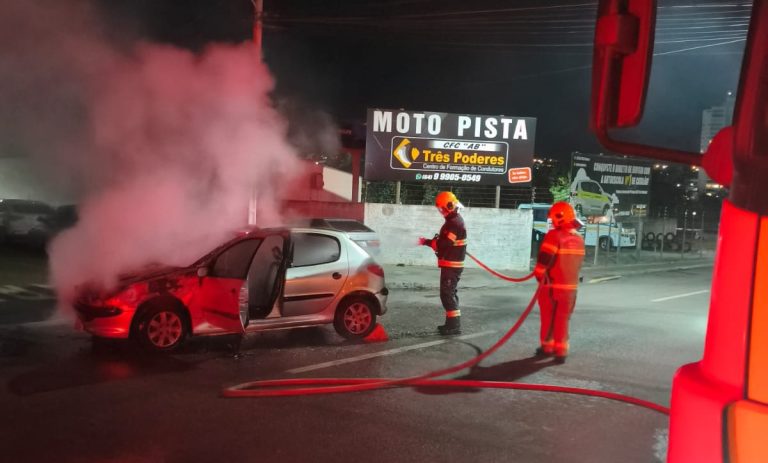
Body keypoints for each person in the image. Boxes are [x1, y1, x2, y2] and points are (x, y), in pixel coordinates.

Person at [533, 201, 585, 363]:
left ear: (559, 217)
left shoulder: (554, 236)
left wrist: (540, 276)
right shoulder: (578, 239)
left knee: (548, 317)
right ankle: (561, 350)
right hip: (570, 289)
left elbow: (543, 263)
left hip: (551, 286)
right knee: (563, 319)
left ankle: (547, 347)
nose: (551, 222)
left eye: (552, 218)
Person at [419, 191, 467, 335]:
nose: (441, 212)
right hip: (450, 264)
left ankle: (454, 326)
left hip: (452, 266)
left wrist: (427, 242)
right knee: (449, 293)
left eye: (442, 208)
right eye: (440, 209)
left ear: (450, 205)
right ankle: (451, 324)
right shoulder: (453, 220)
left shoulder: (454, 223)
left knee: (447, 294)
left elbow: (445, 243)